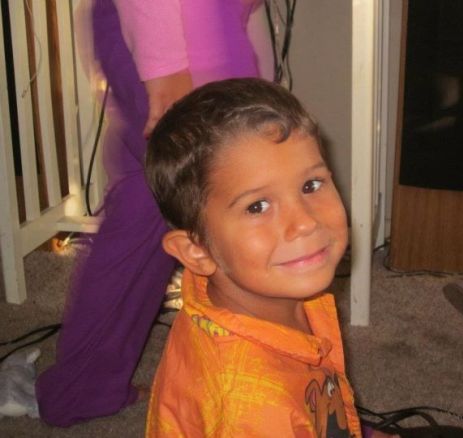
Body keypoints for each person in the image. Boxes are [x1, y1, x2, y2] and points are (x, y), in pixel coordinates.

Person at [36, 0, 269, 427]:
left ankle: (84, 387)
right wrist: (164, 65)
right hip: (164, 37)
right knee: (243, 204)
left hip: (188, 32)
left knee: (145, 210)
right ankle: (296, 400)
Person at [144, 78, 394, 437]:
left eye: (311, 185)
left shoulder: (243, 290)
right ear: (196, 251)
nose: (305, 223)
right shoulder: (257, 411)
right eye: (257, 206)